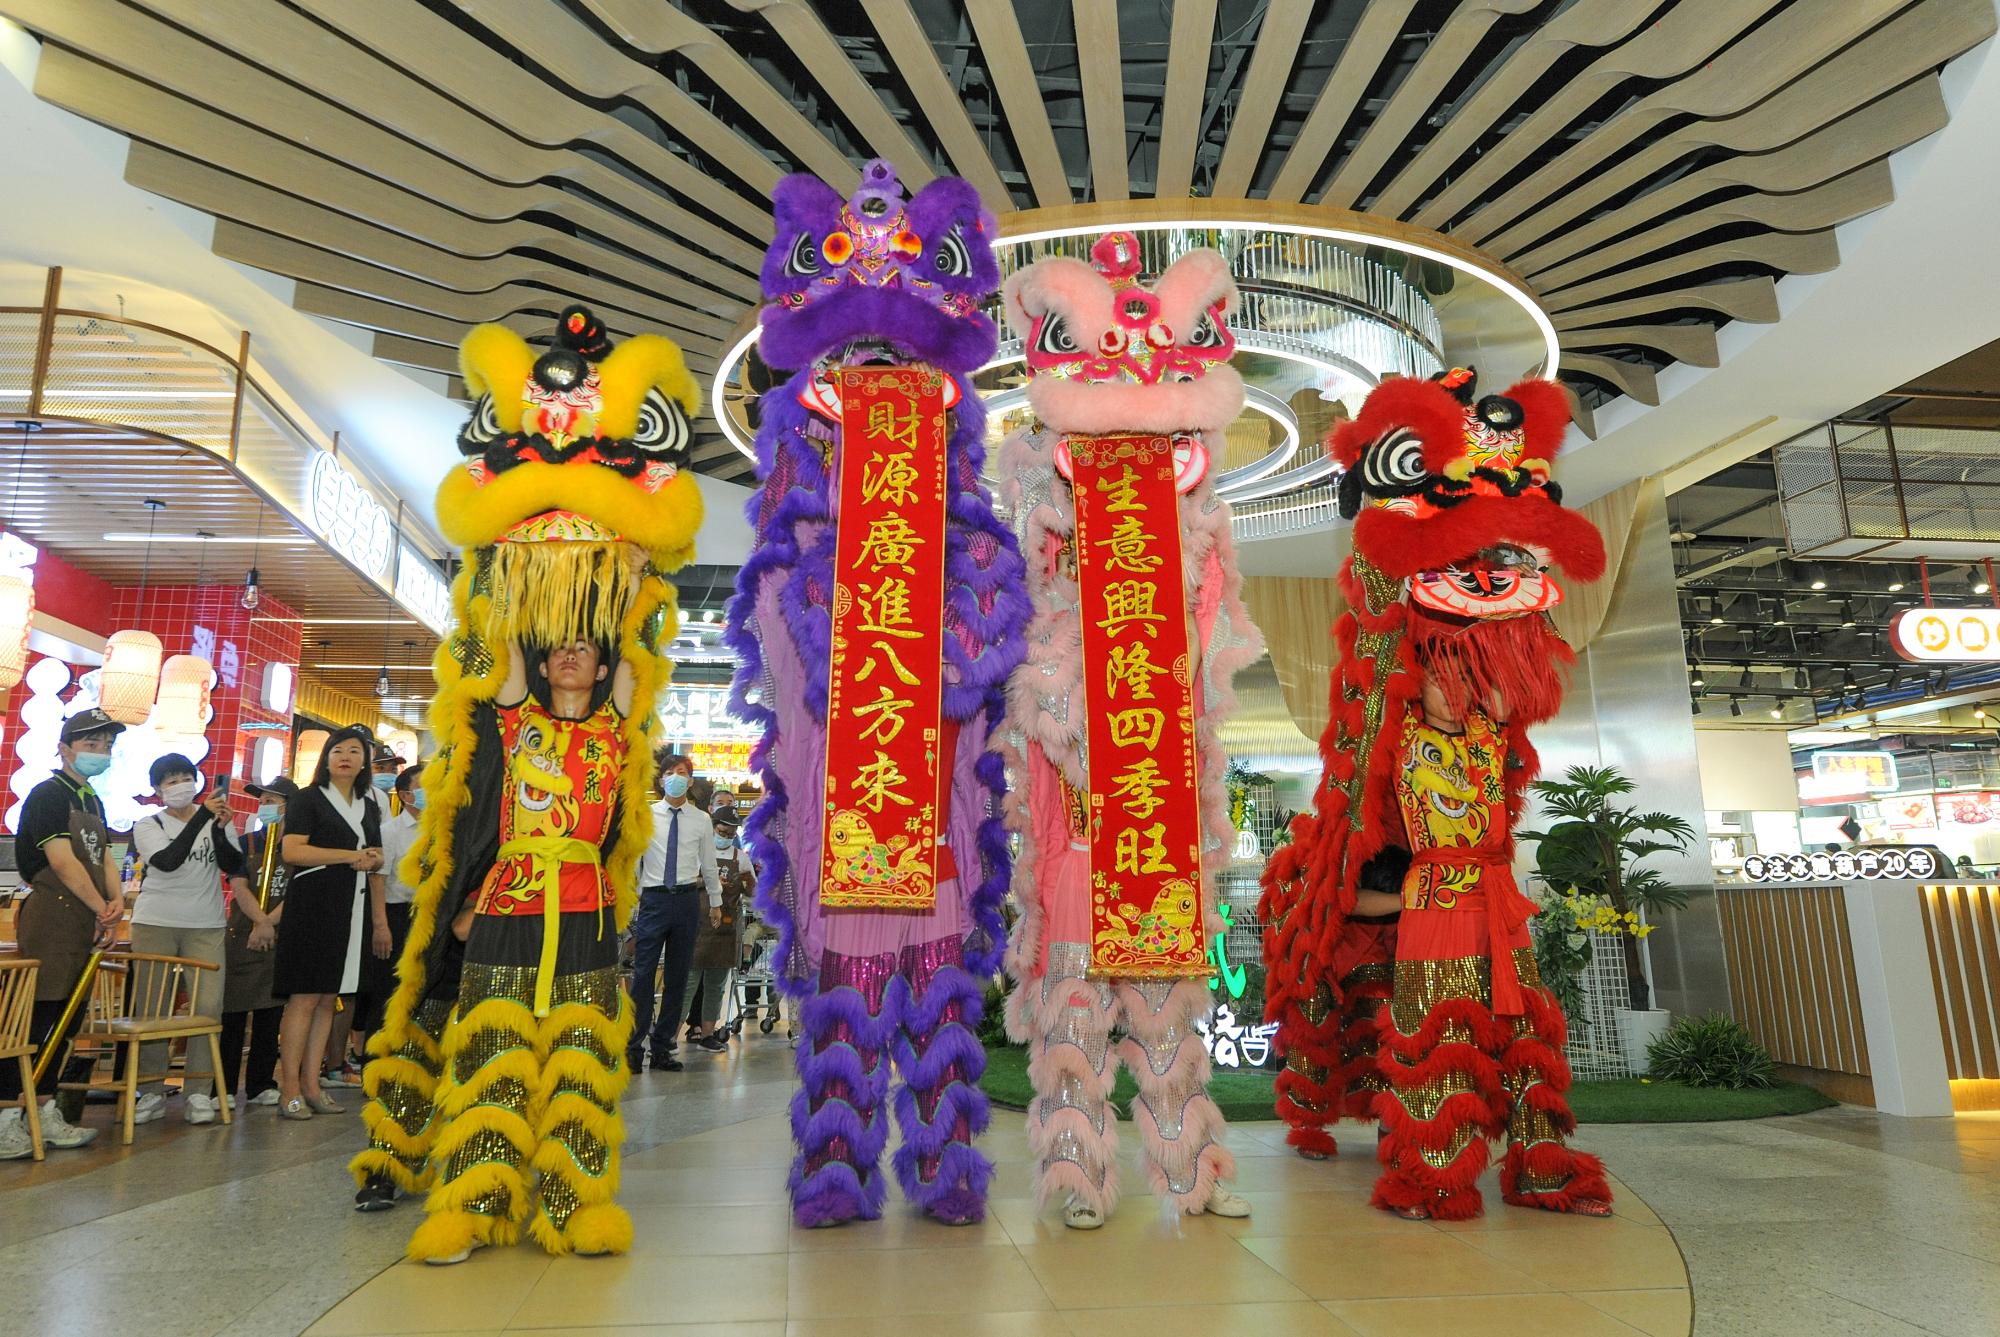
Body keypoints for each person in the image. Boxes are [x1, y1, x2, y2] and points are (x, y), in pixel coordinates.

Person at [402, 637, 638, 1260]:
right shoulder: (518, 721)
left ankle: (578, 1205)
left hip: (587, 911)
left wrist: (638, 589)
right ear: (540, 665)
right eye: (558, 649)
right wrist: (506, 589)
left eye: (584, 649)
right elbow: (504, 646)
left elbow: (639, 652)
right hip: (506, 905)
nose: (570, 657)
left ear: (603, 668)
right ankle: (473, 1207)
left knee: (583, 1059)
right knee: (490, 1052)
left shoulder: (614, 729)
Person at [0, 708, 125, 1157]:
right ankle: (6, 1117)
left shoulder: (92, 800)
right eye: (91, 744)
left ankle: (45, 1109)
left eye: (107, 745)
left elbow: (104, 858)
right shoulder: (48, 794)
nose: (101, 752)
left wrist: (115, 903)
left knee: (67, 1021)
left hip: (85, 921)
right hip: (53, 914)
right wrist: (100, 908)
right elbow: (62, 860)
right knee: (34, 1017)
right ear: (65, 748)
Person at [128, 753, 263, 1126]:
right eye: (170, 781)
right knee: (153, 1008)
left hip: (206, 924)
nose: (180, 786)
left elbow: (232, 865)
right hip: (155, 923)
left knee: (207, 1007)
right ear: (157, 789)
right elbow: (167, 860)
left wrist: (219, 828)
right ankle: (150, 1091)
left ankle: (199, 1092)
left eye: (185, 778)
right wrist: (203, 817)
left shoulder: (214, 820)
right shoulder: (149, 823)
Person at [271, 726, 387, 1121]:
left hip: (352, 908)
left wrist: (373, 860)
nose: (345, 758)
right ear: (326, 759)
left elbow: (375, 856)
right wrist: (350, 856)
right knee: (304, 997)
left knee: (328, 999)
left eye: (354, 751)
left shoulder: (368, 805)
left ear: (364, 761)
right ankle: (289, 1087)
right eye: (338, 751)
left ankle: (312, 1084)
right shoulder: (308, 799)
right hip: (313, 905)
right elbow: (293, 851)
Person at [627, 753, 721, 1073]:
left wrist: (716, 902)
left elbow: (709, 864)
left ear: (690, 780)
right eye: (669, 772)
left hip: (686, 900)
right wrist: (633, 899)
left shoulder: (701, 819)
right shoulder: (647, 815)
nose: (675, 777)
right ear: (661, 779)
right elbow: (635, 860)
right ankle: (633, 1047)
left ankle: (663, 1047)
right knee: (643, 975)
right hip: (653, 899)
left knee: (678, 977)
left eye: (681, 772)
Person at [219, 778, 297, 1109]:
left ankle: (261, 1084)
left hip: (281, 939)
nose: (265, 806)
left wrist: (270, 923)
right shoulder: (245, 842)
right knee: (232, 1015)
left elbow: (298, 892)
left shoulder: (298, 847)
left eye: (273, 801)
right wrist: (260, 921)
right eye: (262, 801)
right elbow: (239, 886)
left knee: (270, 1014)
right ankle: (222, 1087)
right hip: (242, 936)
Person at [681, 806, 745, 1052]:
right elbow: (681, 881)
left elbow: (752, 891)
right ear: (712, 828)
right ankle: (668, 1036)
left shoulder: (740, 857)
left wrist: (749, 882)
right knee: (687, 985)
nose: (726, 837)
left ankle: (708, 1034)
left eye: (731, 834)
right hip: (696, 927)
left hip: (724, 933)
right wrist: (707, 881)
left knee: (716, 987)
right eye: (722, 832)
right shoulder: (694, 853)